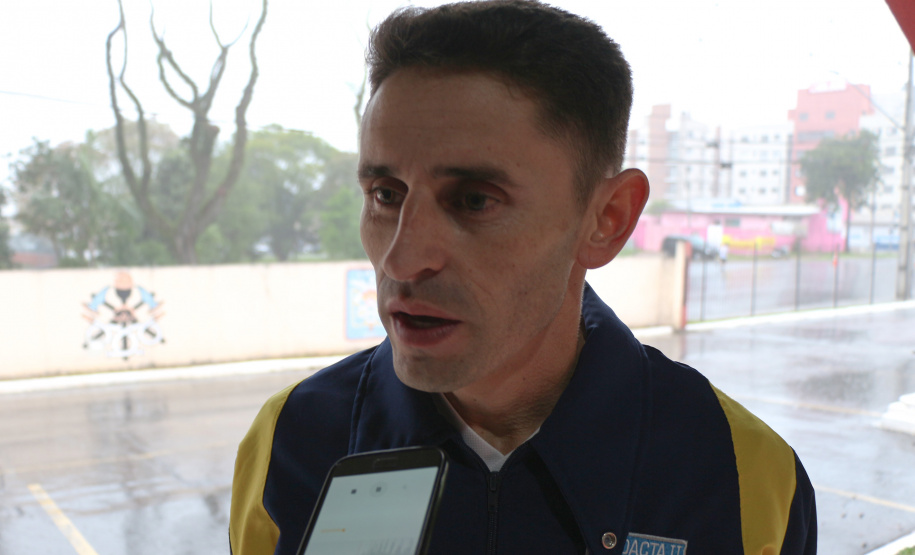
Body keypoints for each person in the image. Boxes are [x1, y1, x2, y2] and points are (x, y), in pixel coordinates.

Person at [229, 2, 817, 553]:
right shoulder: (292, 441)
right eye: (386, 194)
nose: (400, 261)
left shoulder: (741, 471)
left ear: (606, 220)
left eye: (475, 200)